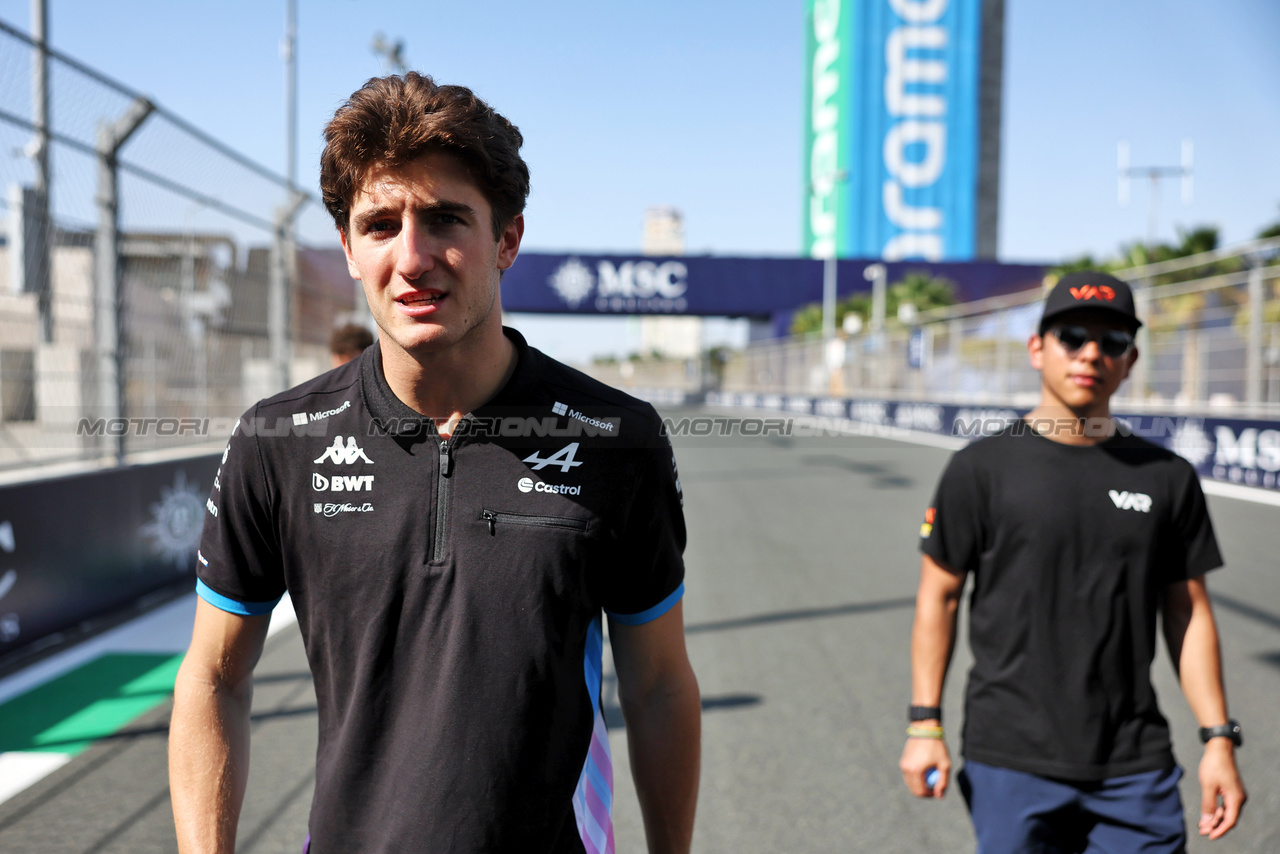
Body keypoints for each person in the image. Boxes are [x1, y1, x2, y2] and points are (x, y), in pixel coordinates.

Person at [170, 73, 701, 854]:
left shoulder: (619, 438)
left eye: (445, 219)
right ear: (349, 249)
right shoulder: (277, 440)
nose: (412, 257)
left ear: (507, 240)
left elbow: (658, 687)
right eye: (381, 225)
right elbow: (213, 676)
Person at [900, 271, 1246, 852]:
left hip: (1135, 762)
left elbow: (1188, 614)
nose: (1092, 354)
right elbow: (939, 596)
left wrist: (1217, 739)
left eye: (1112, 342)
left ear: (1130, 360)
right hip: (1011, 757)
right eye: (1073, 337)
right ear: (1038, 348)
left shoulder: (1167, 478)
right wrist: (923, 724)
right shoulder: (980, 469)